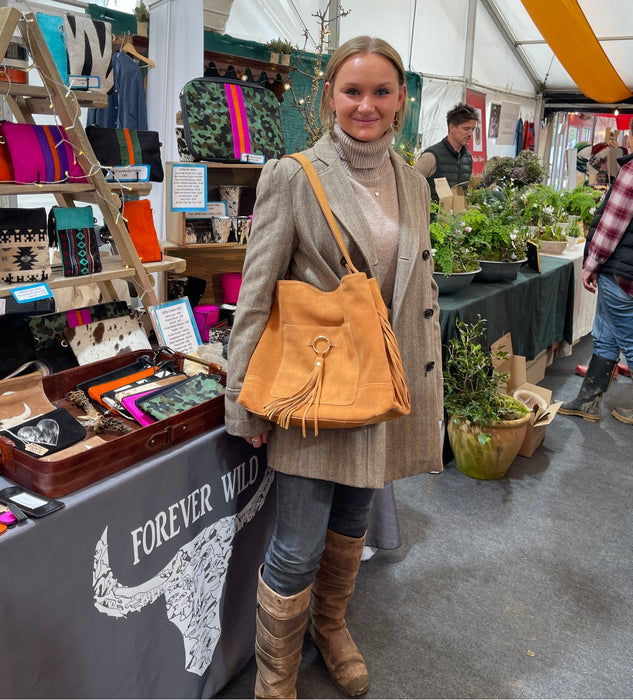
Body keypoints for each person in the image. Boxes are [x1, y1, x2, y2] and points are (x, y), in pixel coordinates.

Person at [224, 35, 444, 699]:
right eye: (353, 91)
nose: (366, 105)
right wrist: (244, 399)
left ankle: (331, 625)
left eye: (381, 92)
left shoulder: (411, 178)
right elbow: (256, 292)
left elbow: (414, 286)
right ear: (329, 98)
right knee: (296, 546)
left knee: (352, 525)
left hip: (381, 385)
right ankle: (274, 677)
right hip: (315, 391)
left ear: (402, 100)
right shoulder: (294, 175)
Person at [559, 105, 633, 428]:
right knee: (605, 335)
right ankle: (588, 401)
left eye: (630, 130)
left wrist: (591, 263)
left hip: (621, 269)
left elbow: (613, 223)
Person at [414, 102, 479, 203]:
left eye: (473, 129)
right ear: (451, 127)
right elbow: (409, 184)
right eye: (466, 129)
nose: (470, 134)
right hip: (431, 217)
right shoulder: (431, 157)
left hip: (457, 217)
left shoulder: (467, 157)